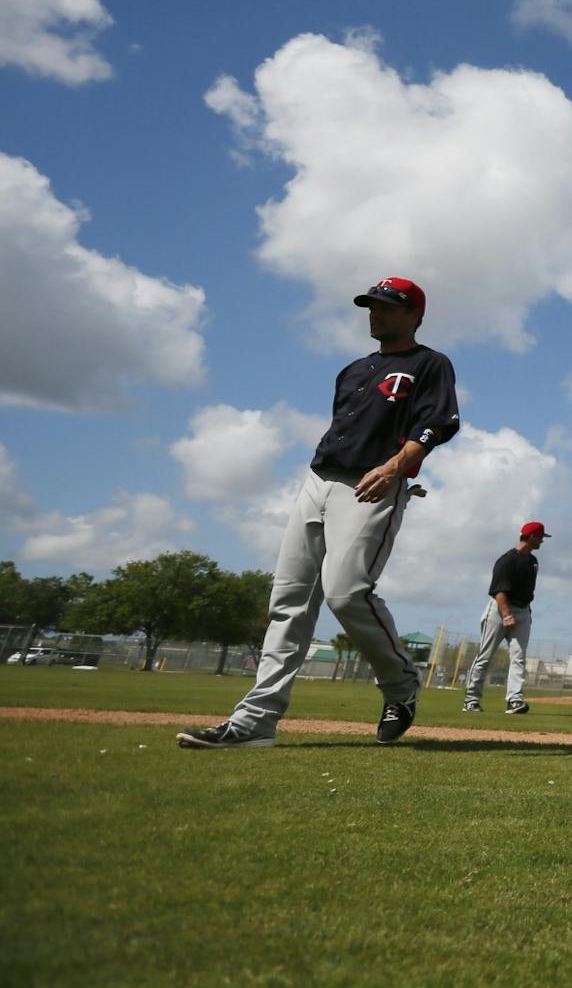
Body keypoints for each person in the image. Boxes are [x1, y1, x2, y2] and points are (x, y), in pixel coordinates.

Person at [179, 277, 458, 750]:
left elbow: (436, 424)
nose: (376, 313)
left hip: (372, 483)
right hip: (317, 481)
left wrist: (394, 468)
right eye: (372, 305)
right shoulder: (353, 369)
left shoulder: (429, 363)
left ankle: (400, 684)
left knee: (347, 594)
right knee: (288, 602)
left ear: (415, 315)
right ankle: (255, 722)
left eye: (388, 306)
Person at [463, 521, 547, 714]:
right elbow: (498, 590)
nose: (542, 541)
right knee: (485, 656)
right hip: (500, 610)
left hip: (523, 611)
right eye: (541, 537)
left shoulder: (533, 562)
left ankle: (514, 700)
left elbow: (527, 590)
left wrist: (526, 612)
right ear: (532, 537)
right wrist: (506, 614)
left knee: (518, 657)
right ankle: (471, 700)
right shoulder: (507, 560)